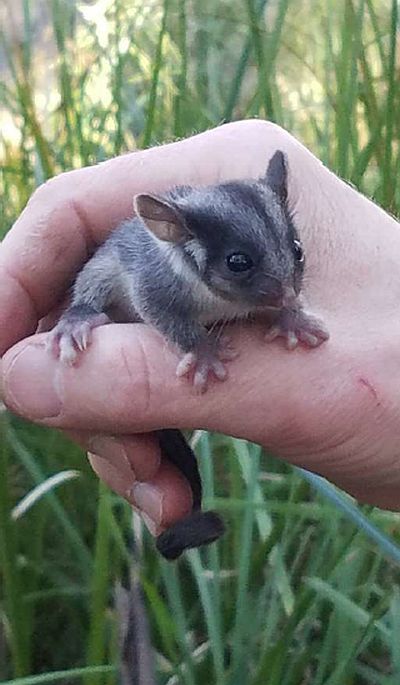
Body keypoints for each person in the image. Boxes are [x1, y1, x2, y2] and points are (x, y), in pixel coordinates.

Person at [1, 119, 400, 536]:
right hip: (124, 292)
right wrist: (197, 345)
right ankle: (80, 312)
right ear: (180, 235)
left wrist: (289, 314)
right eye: (240, 265)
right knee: (101, 273)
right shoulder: (171, 273)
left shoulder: (265, 277)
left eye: (295, 253)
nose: (287, 289)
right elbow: (153, 303)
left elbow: (280, 285)